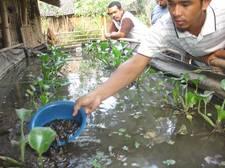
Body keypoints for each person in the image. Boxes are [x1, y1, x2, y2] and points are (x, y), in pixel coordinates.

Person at [73, 0, 225, 116]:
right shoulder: (164, 27)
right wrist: (97, 95)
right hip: (203, 59)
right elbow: (135, 63)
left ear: (205, 2)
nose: (176, 12)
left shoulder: (222, 10)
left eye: (185, 4)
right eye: (172, 4)